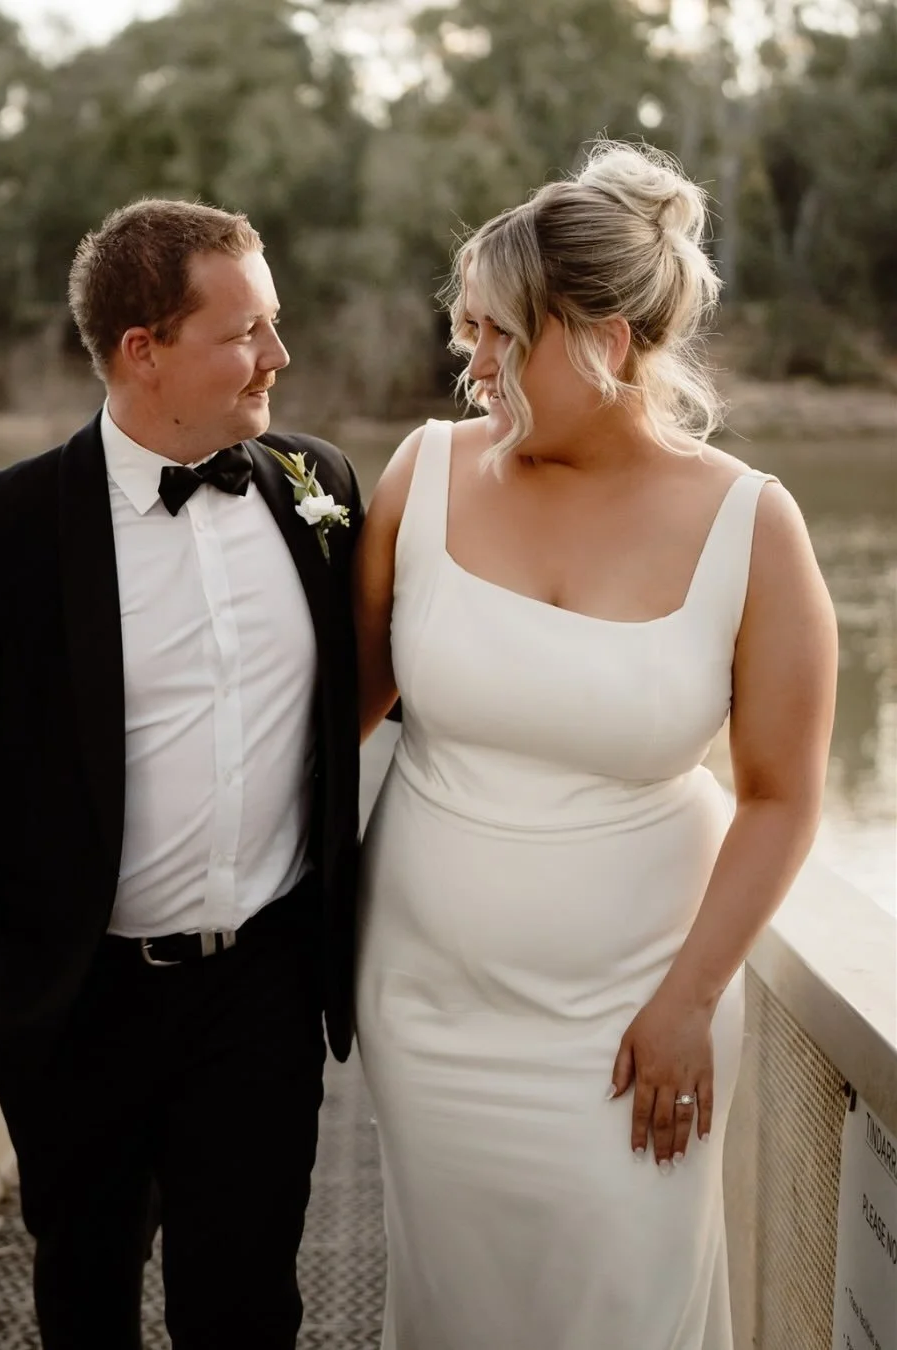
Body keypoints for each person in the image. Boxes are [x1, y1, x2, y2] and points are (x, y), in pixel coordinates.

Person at [353, 142, 837, 1350]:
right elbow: (334, 713)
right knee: (458, 1313)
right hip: (427, 1011)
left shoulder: (750, 523)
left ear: (604, 341)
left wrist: (689, 998)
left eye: (496, 337)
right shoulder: (424, 473)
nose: (469, 366)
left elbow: (780, 796)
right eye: (466, 332)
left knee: (626, 1308)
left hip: (635, 1019)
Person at [0, 198, 364, 1350]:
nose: (278, 357)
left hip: (261, 987)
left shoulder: (321, 492)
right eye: (244, 331)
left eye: (276, 323)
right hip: (76, 999)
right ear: (142, 350)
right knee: (86, 1288)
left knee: (247, 1301)